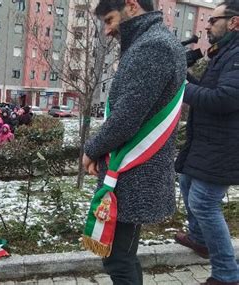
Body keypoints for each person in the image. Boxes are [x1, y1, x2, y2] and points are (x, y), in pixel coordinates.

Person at [82, 0, 186, 284]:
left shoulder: (152, 47)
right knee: (122, 256)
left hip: (135, 172)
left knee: (119, 259)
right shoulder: (152, 42)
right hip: (135, 169)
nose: (107, 30)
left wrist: (91, 150)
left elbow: (127, 117)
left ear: (131, 5)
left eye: (109, 20)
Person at [174, 1, 239, 284]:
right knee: (186, 182)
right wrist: (180, 75)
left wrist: (183, 88)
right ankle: (200, 239)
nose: (207, 26)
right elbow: (208, 90)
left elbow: (225, 99)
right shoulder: (224, 53)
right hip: (207, 142)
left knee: (204, 203)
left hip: (224, 146)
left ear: (234, 22)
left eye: (213, 20)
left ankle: (227, 273)